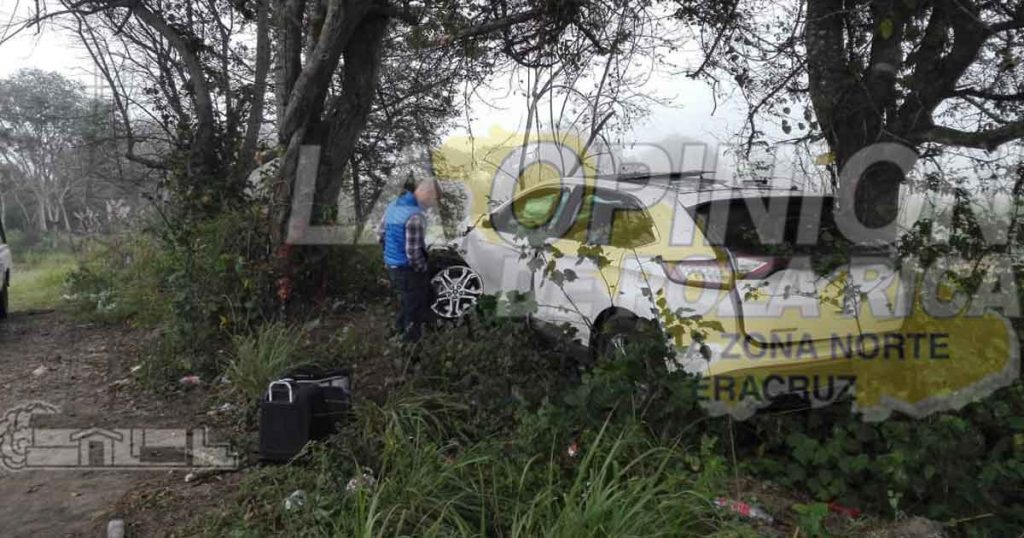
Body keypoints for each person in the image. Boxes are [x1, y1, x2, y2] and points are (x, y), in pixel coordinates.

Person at [378, 178, 441, 342]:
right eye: (434, 199)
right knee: (414, 310)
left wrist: (389, 257)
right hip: (407, 270)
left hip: (393, 266)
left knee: (412, 302)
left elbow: (381, 233)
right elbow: (413, 253)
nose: (432, 204)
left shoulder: (394, 205)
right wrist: (423, 268)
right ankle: (410, 347)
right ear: (427, 193)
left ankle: (396, 334)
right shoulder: (415, 216)